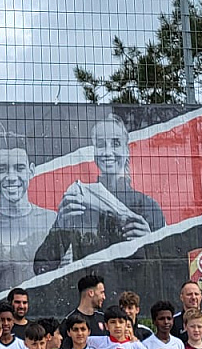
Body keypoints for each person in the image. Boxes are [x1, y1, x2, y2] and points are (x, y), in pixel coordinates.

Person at [34, 114, 166, 272]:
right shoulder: (78, 202)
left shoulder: (148, 206)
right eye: (101, 145)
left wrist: (150, 243)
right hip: (91, 286)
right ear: (94, 152)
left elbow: (166, 268)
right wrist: (59, 228)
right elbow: (42, 266)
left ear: (126, 150)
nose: (107, 152)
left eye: (115, 144)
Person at [0, 136, 57, 294]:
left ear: (31, 171)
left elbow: (62, 274)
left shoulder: (52, 221)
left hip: (41, 307)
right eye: (2, 169)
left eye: (19, 168)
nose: (12, 177)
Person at [173, 280, 202, 347]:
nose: (193, 297)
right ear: (181, 297)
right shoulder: (173, 322)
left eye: (196, 294)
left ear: (201, 297)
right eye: (189, 294)